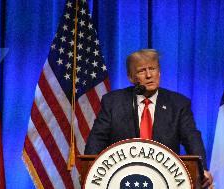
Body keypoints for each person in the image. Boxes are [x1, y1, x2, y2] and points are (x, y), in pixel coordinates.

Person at [84, 49, 213, 188]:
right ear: (131, 77)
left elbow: (191, 137)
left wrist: (202, 170)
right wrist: (89, 170)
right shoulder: (113, 102)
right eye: (141, 71)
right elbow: (97, 139)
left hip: (166, 180)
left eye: (153, 68)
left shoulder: (178, 104)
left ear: (159, 72)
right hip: (122, 179)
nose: (149, 75)